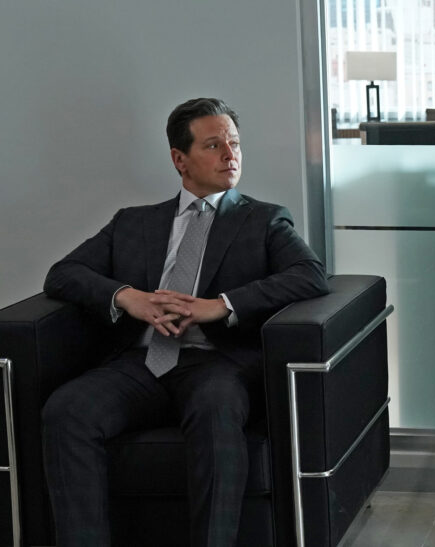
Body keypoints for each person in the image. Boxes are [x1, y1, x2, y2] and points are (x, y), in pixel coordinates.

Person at [40, 97, 329, 546]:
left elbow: (310, 275)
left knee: (215, 410)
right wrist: (129, 298)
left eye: (234, 144)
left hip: (217, 364)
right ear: (180, 159)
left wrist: (222, 305)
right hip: (140, 364)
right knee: (67, 410)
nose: (230, 155)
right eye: (213, 145)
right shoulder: (133, 223)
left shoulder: (263, 220)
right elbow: (63, 274)